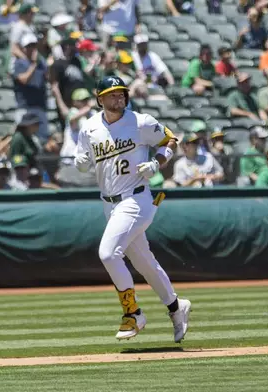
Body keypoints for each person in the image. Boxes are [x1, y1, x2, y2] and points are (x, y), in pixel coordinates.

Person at [73, 76, 191, 343]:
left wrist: (157, 163)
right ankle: (176, 307)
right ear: (99, 98)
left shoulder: (141, 122)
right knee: (144, 262)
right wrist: (81, 162)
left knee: (108, 253)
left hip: (137, 199)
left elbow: (171, 140)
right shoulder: (89, 128)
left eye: (121, 93)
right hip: (109, 203)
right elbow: (83, 160)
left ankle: (133, 312)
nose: (118, 98)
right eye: (112, 94)